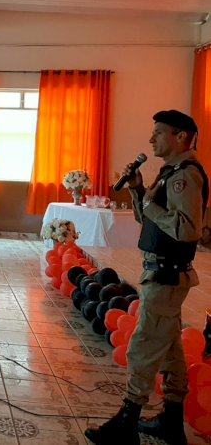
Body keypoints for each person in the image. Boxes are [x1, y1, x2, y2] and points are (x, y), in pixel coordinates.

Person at [84, 110, 208, 445]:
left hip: (167, 275)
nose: (151, 139)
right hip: (160, 271)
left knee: (142, 347)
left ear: (181, 136)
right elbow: (149, 220)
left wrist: (152, 206)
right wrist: (139, 191)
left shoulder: (186, 176)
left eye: (159, 133)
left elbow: (187, 228)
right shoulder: (169, 174)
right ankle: (171, 419)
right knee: (170, 349)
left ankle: (127, 423)